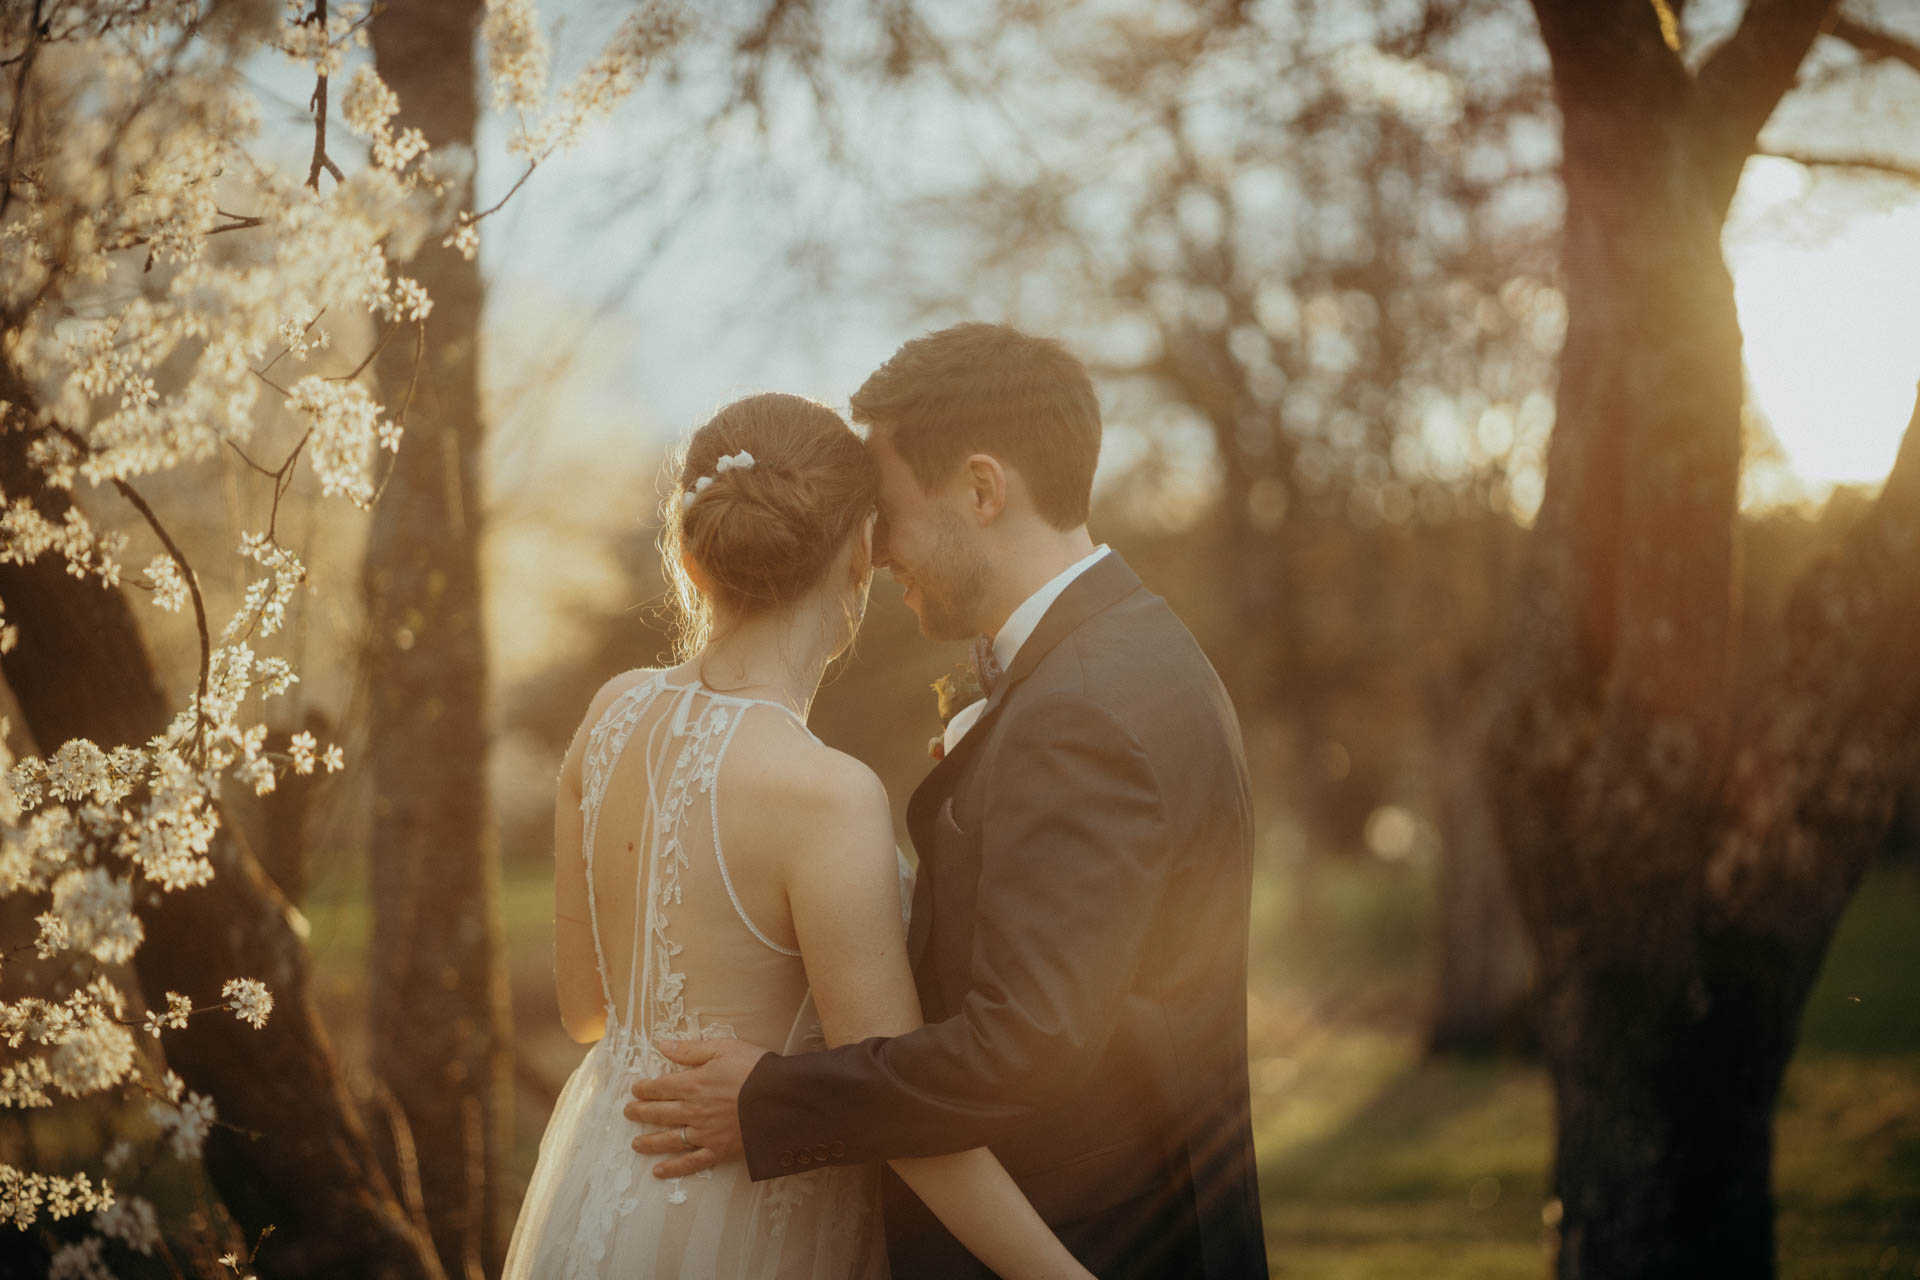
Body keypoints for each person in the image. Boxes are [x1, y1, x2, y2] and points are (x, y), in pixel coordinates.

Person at [627, 325, 1268, 1278]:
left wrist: (769, 1097)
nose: (873, 553)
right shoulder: (1115, 655)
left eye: (885, 512)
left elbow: (1025, 1045)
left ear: (981, 489)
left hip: (1095, 1237)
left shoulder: (1082, 709)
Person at [502, 392, 1094, 1280]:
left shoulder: (611, 712)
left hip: (604, 1192)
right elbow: (904, 1122)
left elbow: (588, 1010)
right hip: (748, 1223)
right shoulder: (825, 796)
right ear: (861, 549)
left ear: (693, 560)